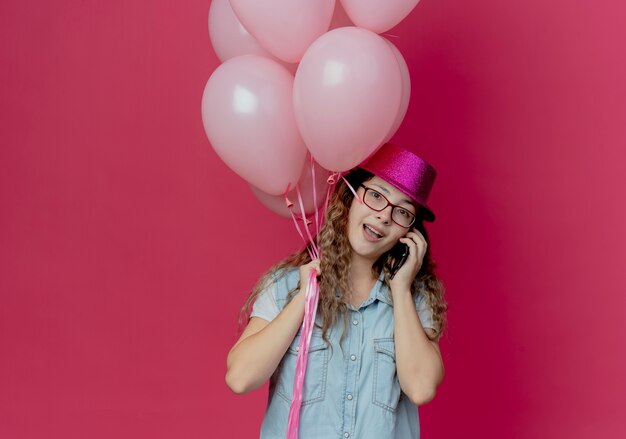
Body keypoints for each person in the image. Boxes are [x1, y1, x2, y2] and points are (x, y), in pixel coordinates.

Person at [226, 142, 448, 439]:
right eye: (376, 196)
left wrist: (401, 288)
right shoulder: (286, 285)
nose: (384, 216)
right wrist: (302, 301)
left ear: (410, 234)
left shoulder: (413, 299)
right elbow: (240, 378)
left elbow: (420, 388)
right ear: (350, 198)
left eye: (403, 213)